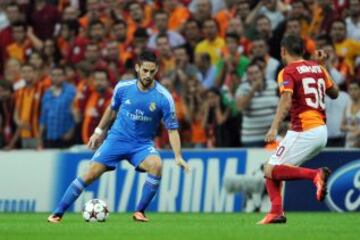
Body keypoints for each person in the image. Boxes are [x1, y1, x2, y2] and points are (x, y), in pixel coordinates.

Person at [47, 50, 190, 223]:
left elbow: (172, 129)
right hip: (116, 140)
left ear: (157, 70)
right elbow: (112, 109)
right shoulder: (123, 88)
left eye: (152, 71)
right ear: (137, 68)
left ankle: (139, 212)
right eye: (145, 70)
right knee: (90, 173)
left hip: (142, 145)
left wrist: (178, 156)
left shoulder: (164, 97)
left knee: (157, 165)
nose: (148, 75)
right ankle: (57, 213)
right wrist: (98, 132)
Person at [258, 35, 339, 224]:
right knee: (272, 167)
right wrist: (323, 66)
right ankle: (276, 212)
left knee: (271, 169)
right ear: (302, 50)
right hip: (321, 131)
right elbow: (335, 93)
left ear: (283, 51)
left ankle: (315, 175)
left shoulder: (287, 71)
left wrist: (274, 127)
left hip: (304, 129)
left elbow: (286, 101)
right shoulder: (318, 68)